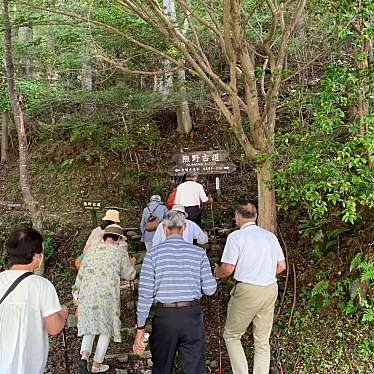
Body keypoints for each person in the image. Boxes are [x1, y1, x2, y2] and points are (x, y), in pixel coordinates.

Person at [133, 210, 217, 374]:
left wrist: (140, 328)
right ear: (184, 228)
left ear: (164, 229)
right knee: (193, 369)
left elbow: (145, 295)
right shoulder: (199, 253)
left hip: (165, 317)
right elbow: (210, 289)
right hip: (192, 316)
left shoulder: (152, 255)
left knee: (162, 367)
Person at [214, 202, 286, 374]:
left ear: (238, 216)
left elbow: (228, 269)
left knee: (231, 335)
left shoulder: (236, 237)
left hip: (247, 290)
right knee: (262, 340)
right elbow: (281, 266)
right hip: (270, 288)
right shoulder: (270, 236)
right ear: (255, 216)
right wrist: (264, 274)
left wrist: (216, 273)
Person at [0, 226, 68, 374]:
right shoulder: (42, 286)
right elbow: (54, 328)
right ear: (36, 255)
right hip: (27, 365)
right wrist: (63, 313)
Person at [74, 224, 136, 374]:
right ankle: (96, 364)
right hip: (107, 295)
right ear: (119, 238)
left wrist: (77, 295)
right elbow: (129, 275)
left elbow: (80, 274)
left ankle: (84, 357)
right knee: (105, 329)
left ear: (105, 236)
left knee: (90, 324)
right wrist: (132, 264)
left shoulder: (91, 250)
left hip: (87, 293)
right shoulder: (119, 252)